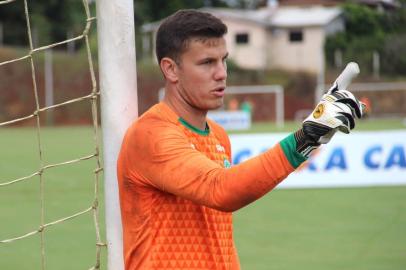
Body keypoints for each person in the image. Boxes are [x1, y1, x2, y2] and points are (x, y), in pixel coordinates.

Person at [117, 9, 363, 270]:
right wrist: (306, 138)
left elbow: (219, 240)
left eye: (223, 60)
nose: (222, 73)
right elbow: (220, 190)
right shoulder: (151, 134)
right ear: (171, 69)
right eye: (207, 63)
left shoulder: (218, 135)